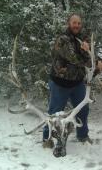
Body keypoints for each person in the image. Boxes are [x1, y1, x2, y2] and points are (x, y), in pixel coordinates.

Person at [43, 14, 92, 146]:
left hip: (77, 83)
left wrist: (89, 52)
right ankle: (47, 138)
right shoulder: (62, 39)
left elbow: (90, 57)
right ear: (68, 23)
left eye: (79, 23)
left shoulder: (83, 39)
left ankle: (82, 136)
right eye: (74, 23)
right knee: (55, 112)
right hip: (60, 83)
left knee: (83, 109)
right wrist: (89, 58)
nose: (76, 25)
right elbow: (74, 58)